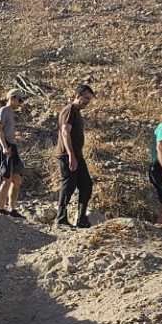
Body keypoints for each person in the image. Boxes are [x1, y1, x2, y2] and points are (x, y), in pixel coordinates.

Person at [56, 83, 95, 227]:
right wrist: (71, 155)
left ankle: (81, 219)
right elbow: (65, 132)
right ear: (77, 96)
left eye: (89, 100)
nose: (87, 102)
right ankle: (61, 218)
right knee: (68, 185)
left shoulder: (77, 111)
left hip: (76, 154)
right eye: (85, 98)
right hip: (67, 154)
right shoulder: (70, 110)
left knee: (86, 185)